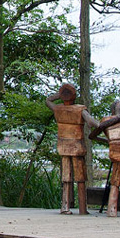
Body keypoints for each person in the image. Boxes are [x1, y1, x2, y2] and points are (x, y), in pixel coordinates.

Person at [45, 83, 99, 215]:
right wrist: (101, 125)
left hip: (63, 146)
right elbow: (92, 122)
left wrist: (60, 94)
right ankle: (82, 208)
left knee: (66, 177)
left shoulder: (58, 109)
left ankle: (65, 206)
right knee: (80, 177)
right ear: (74, 95)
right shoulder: (80, 110)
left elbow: (48, 100)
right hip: (76, 146)